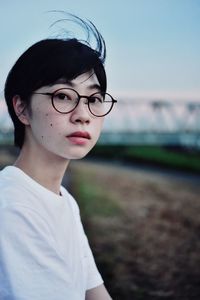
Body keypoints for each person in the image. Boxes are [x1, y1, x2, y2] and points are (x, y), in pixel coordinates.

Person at [0, 14, 117, 300]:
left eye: (93, 99)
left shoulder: (64, 202)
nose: (83, 116)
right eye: (63, 96)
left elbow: (94, 294)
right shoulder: (12, 208)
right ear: (22, 109)